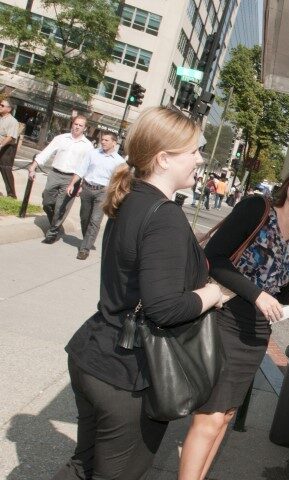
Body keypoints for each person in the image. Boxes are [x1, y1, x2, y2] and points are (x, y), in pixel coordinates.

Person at [52, 107, 224, 480]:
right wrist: (212, 294)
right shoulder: (163, 215)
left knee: (83, 463)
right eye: (193, 151)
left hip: (94, 353)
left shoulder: (132, 198)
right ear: (163, 158)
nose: (199, 158)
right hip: (126, 375)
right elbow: (164, 308)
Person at [178, 157, 289, 480]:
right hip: (223, 320)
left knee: (224, 417)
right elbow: (215, 259)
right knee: (208, 418)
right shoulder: (257, 208)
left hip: (255, 335)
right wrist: (256, 294)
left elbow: (278, 289)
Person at [28, 116, 93, 244]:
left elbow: (87, 167)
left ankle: (52, 232)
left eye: (80, 125)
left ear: (85, 128)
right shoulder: (61, 138)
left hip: (72, 179)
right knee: (47, 201)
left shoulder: (88, 146)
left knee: (61, 207)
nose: (77, 127)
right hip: (54, 174)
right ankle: (56, 222)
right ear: (72, 124)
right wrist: (33, 166)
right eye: (75, 124)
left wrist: (82, 185)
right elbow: (47, 152)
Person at [65, 131, 125, 260]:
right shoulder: (93, 153)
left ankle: (84, 248)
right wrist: (72, 184)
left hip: (103, 192)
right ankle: (88, 238)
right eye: (102, 139)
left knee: (95, 221)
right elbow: (81, 169)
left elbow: (119, 181)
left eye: (106, 140)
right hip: (87, 188)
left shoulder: (119, 162)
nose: (103, 142)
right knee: (84, 217)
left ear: (114, 143)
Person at [0, 98, 20, 198]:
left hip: (7, 149)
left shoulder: (13, 121)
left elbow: (10, 137)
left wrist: (1, 146)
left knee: (5, 170)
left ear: (9, 109)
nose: (0, 106)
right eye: (0, 104)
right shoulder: (1, 119)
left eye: (2, 105)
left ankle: (11, 195)